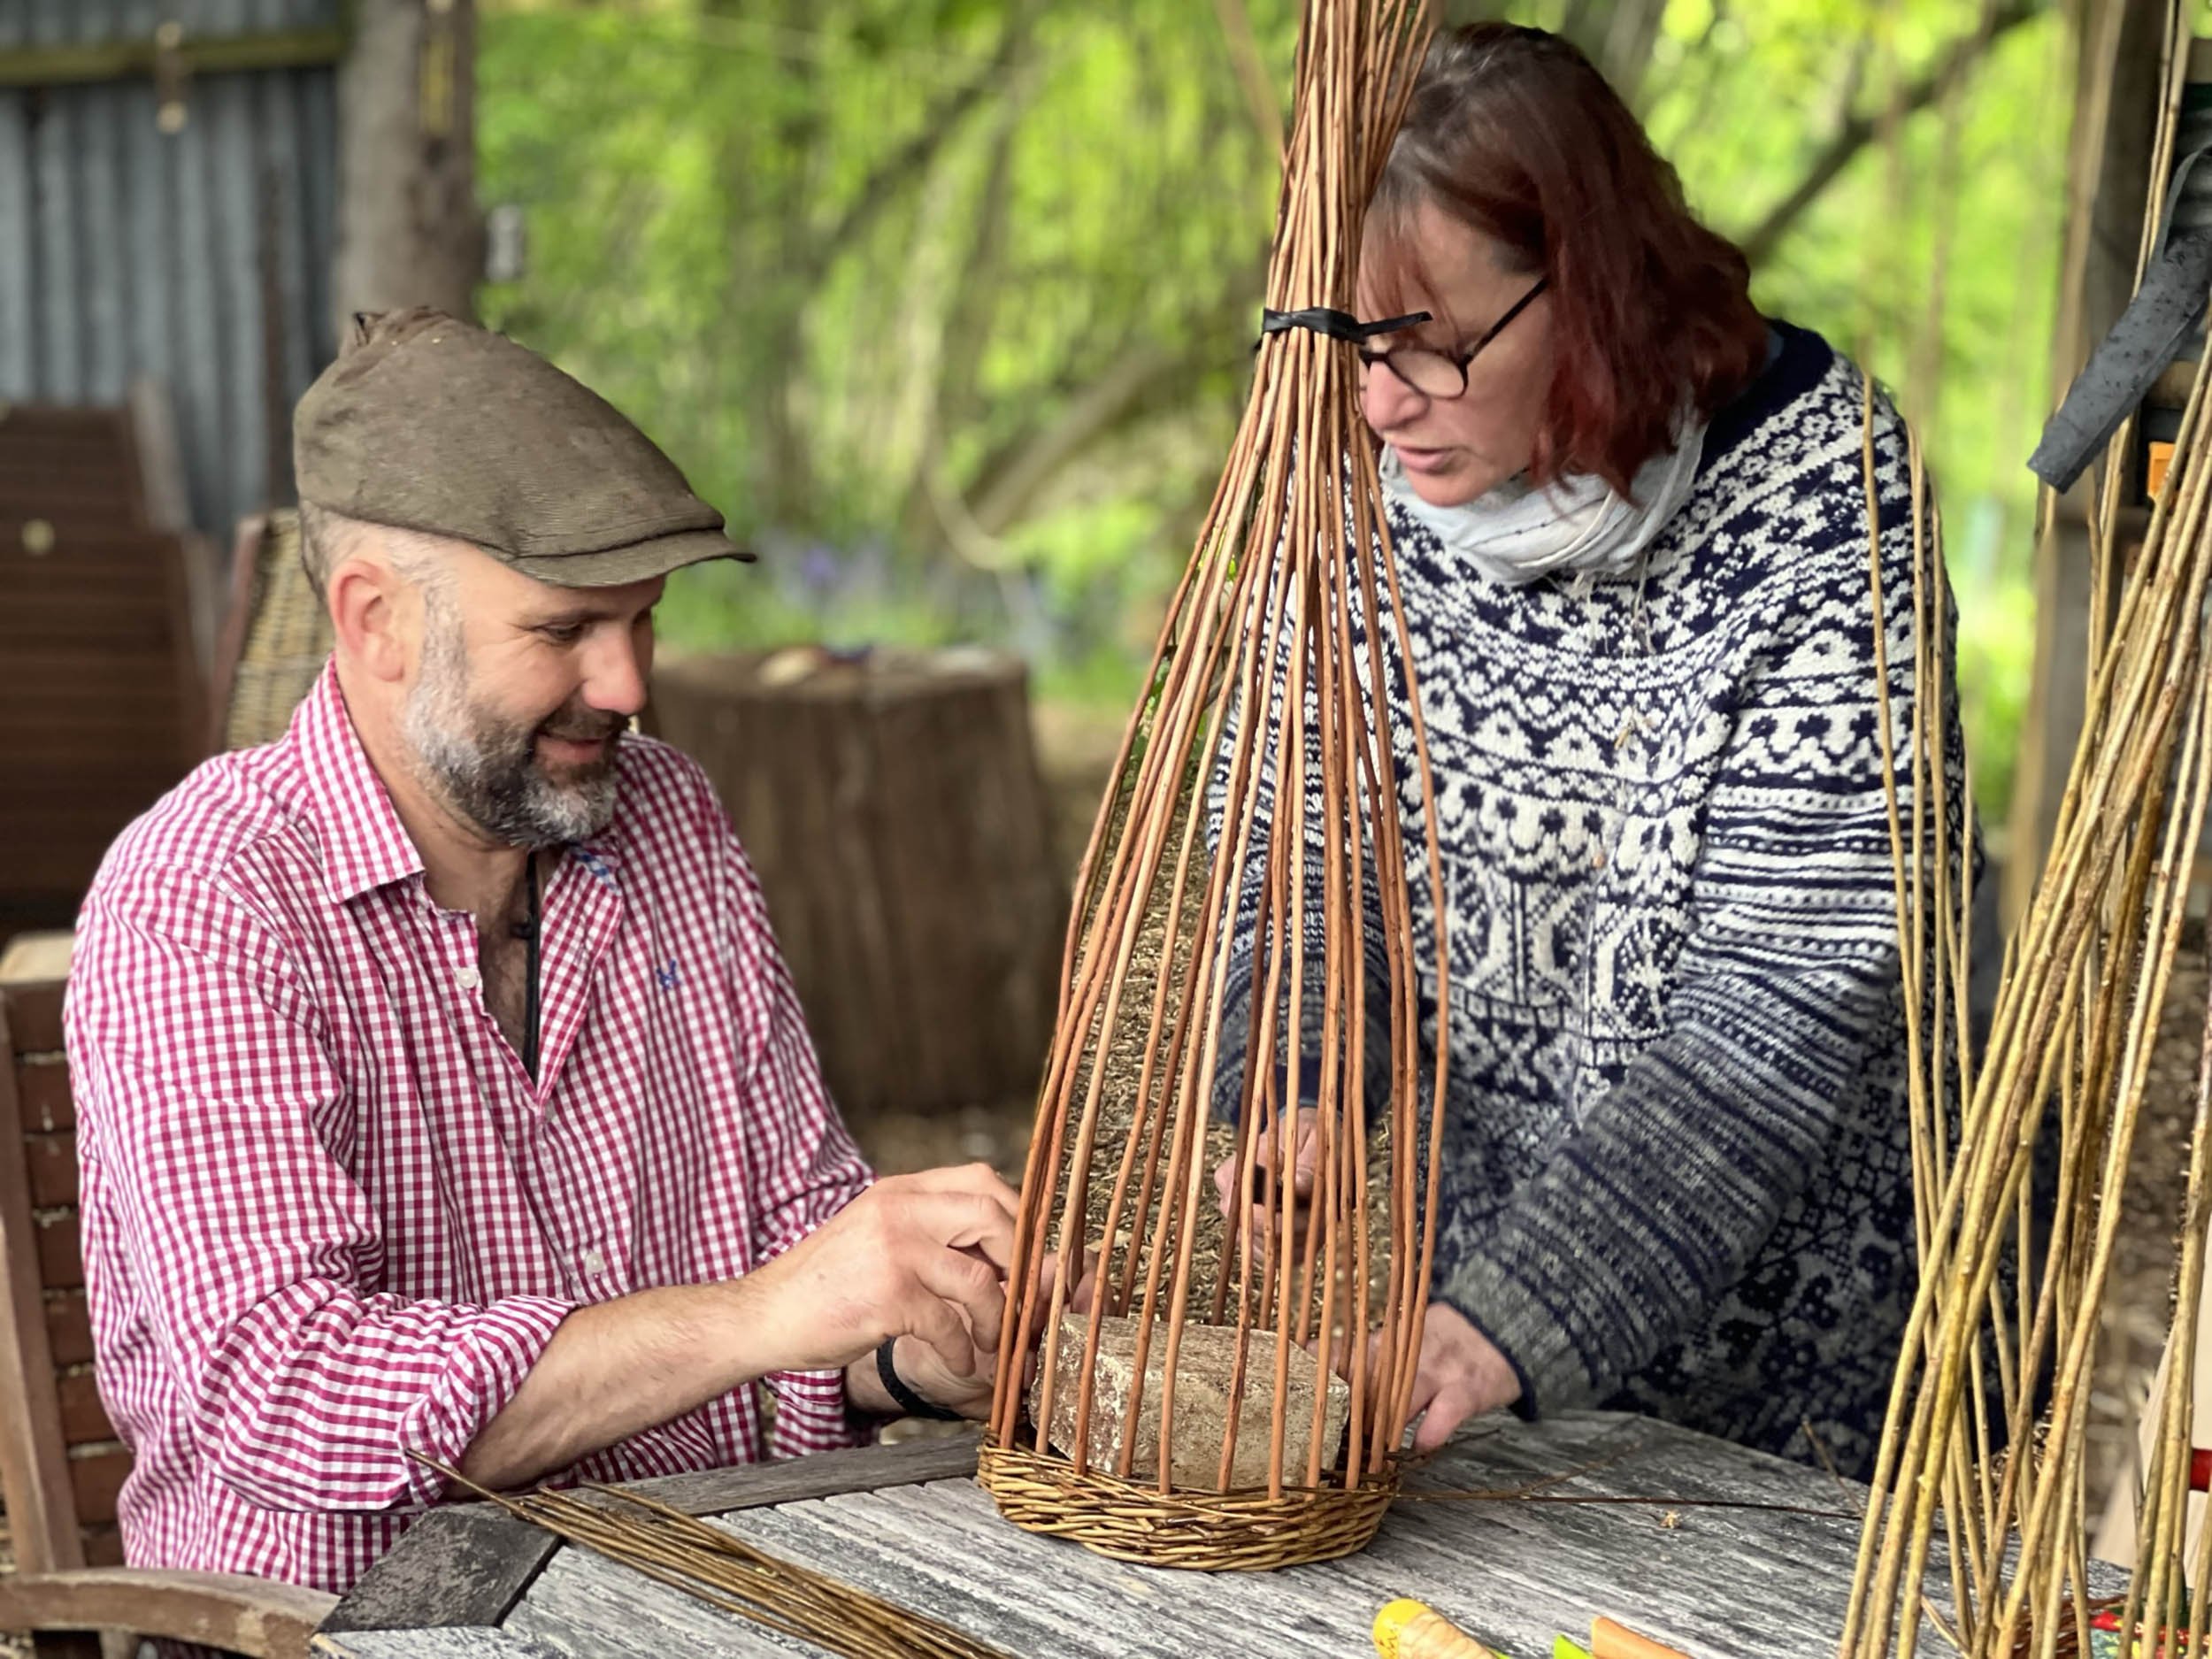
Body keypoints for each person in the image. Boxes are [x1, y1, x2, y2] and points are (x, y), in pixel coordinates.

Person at [64, 309, 1018, 1594]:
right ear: (376, 621)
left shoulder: (668, 816)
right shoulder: (206, 896)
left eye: (645, 619)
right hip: (353, 1625)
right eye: (565, 630)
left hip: (720, 1582)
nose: (626, 683)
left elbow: (803, 1255)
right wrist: (766, 1312)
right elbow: (294, 1397)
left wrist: (908, 1345)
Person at [1215, 23, 1961, 1480]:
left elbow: (1789, 997)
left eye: (1431, 345)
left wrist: (1507, 1320)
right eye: (1359, 344)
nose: (1380, 401)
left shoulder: (1828, 507)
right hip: (1484, 1348)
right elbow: (1316, 862)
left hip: (1808, 1359)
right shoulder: (1353, 497)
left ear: (1593, 283)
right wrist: (1300, 1075)